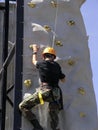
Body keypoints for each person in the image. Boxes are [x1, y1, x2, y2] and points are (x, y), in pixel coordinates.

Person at [19, 44, 65, 130]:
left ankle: (37, 126)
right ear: (53, 57)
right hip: (55, 95)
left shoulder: (42, 63)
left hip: (45, 92)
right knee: (53, 116)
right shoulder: (57, 66)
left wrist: (34, 50)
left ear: (44, 56)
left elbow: (34, 61)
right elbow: (63, 79)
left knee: (23, 106)